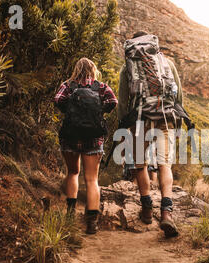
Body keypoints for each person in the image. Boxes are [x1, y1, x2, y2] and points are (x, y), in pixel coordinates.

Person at [117, 31, 187, 238]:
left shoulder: (127, 66)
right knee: (165, 164)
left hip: (139, 120)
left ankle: (147, 208)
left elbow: (123, 102)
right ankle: (167, 212)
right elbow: (179, 97)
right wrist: (179, 125)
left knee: (140, 165)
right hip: (166, 118)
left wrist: (123, 129)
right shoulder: (167, 63)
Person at [54, 57, 117, 234]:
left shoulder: (68, 85)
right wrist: (99, 111)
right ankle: (92, 223)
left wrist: (71, 111)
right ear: (93, 70)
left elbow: (57, 100)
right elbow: (113, 102)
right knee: (92, 179)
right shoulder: (102, 87)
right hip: (94, 138)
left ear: (77, 69)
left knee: (73, 173)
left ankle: (70, 215)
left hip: (70, 136)